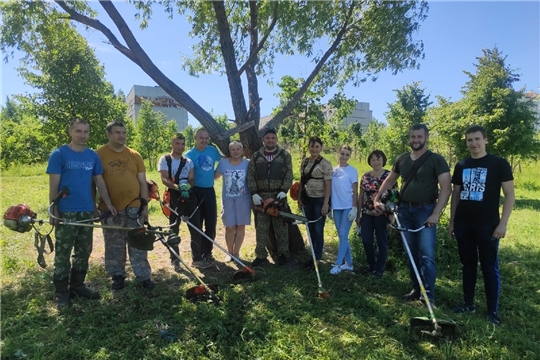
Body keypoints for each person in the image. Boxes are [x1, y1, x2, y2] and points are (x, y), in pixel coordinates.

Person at [374, 124, 451, 306]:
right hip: (404, 211)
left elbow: (446, 188)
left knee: (426, 255)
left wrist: (435, 214)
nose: (416, 140)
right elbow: (390, 180)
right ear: (409, 138)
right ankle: (417, 289)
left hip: (426, 211)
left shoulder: (436, 160)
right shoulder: (402, 159)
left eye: (419, 136)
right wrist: (377, 198)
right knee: (411, 253)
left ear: (426, 137)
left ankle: (429, 297)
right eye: (413, 137)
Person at [47, 119, 117, 309]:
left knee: (84, 251)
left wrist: (107, 203)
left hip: (86, 211)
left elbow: (99, 182)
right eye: (78, 131)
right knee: (63, 253)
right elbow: (54, 185)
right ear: (70, 131)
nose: (82, 135)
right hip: (66, 211)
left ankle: (78, 285)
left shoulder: (92, 156)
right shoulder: (59, 155)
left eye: (86, 131)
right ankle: (62, 293)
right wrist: (54, 210)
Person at [449, 125, 514, 326]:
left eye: (477, 139)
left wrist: (503, 224)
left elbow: (510, 195)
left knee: (489, 267)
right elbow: (456, 195)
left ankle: (492, 311)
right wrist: (452, 222)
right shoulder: (461, 165)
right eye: (469, 140)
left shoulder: (499, 164)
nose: (473, 143)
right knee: (467, 265)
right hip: (463, 224)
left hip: (488, 225)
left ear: (485, 140)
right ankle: (468, 303)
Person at [96, 121, 154, 291]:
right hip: (109, 209)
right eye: (117, 132)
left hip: (134, 208)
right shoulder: (98, 154)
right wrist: (96, 205)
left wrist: (144, 208)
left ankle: (143, 276)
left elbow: (143, 183)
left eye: (124, 132)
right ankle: (117, 275)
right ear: (108, 134)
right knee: (114, 244)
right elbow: (95, 182)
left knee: (138, 242)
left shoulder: (134, 155)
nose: (121, 136)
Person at [158, 133, 210, 270]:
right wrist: (177, 187)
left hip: (189, 196)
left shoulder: (188, 161)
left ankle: (197, 258)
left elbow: (191, 179)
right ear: (172, 143)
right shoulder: (165, 159)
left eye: (182, 144)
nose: (180, 147)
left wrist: (188, 186)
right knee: (173, 228)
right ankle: (175, 260)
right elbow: (164, 178)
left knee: (196, 227)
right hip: (173, 196)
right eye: (177, 143)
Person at [247, 128, 293, 267]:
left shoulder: (284, 155)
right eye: (268, 138)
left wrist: (284, 190)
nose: (270, 140)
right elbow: (250, 175)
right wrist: (254, 193)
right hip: (260, 198)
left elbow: (289, 174)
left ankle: (284, 255)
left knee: (281, 228)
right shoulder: (256, 156)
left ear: (276, 139)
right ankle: (261, 256)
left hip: (278, 196)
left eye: (273, 138)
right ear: (263, 140)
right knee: (261, 229)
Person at [184, 128, 223, 263]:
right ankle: (197, 254)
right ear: (195, 138)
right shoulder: (189, 155)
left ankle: (208, 252)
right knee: (197, 225)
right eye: (201, 138)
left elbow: (224, 160)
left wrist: (217, 173)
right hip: (195, 192)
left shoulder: (212, 151)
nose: (204, 141)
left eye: (207, 138)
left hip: (209, 191)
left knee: (211, 224)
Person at [357, 150, 397, 278]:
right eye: (373, 159)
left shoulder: (389, 176)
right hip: (367, 213)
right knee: (366, 240)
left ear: (383, 160)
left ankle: (379, 270)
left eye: (378, 159)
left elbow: (394, 197)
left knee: (382, 242)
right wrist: (358, 214)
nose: (376, 162)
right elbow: (361, 196)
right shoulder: (365, 176)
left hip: (383, 214)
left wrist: (392, 217)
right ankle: (371, 265)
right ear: (370, 162)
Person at [298, 136, 333, 268]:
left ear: (321, 148)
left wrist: (325, 204)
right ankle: (312, 255)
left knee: (318, 229)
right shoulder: (305, 162)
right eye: (312, 146)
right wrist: (299, 198)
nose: (314, 149)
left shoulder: (326, 164)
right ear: (309, 147)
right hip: (307, 199)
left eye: (317, 146)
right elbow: (302, 180)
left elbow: (328, 185)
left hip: (320, 200)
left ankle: (318, 258)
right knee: (310, 228)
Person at [214, 141, 251, 261]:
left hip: (243, 199)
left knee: (240, 227)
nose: (235, 151)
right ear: (229, 151)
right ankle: (229, 252)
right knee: (229, 227)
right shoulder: (223, 163)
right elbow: (214, 176)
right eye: (233, 149)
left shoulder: (248, 163)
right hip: (228, 200)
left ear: (242, 150)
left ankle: (237, 253)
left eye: (238, 149)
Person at [329, 145, 358, 275]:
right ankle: (349, 263)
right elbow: (330, 189)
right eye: (342, 153)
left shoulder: (352, 171)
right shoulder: (333, 170)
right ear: (338, 154)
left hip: (347, 207)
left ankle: (338, 264)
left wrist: (354, 207)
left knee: (343, 234)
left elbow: (355, 191)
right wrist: (329, 206)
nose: (344, 156)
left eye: (347, 154)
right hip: (337, 207)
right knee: (342, 237)